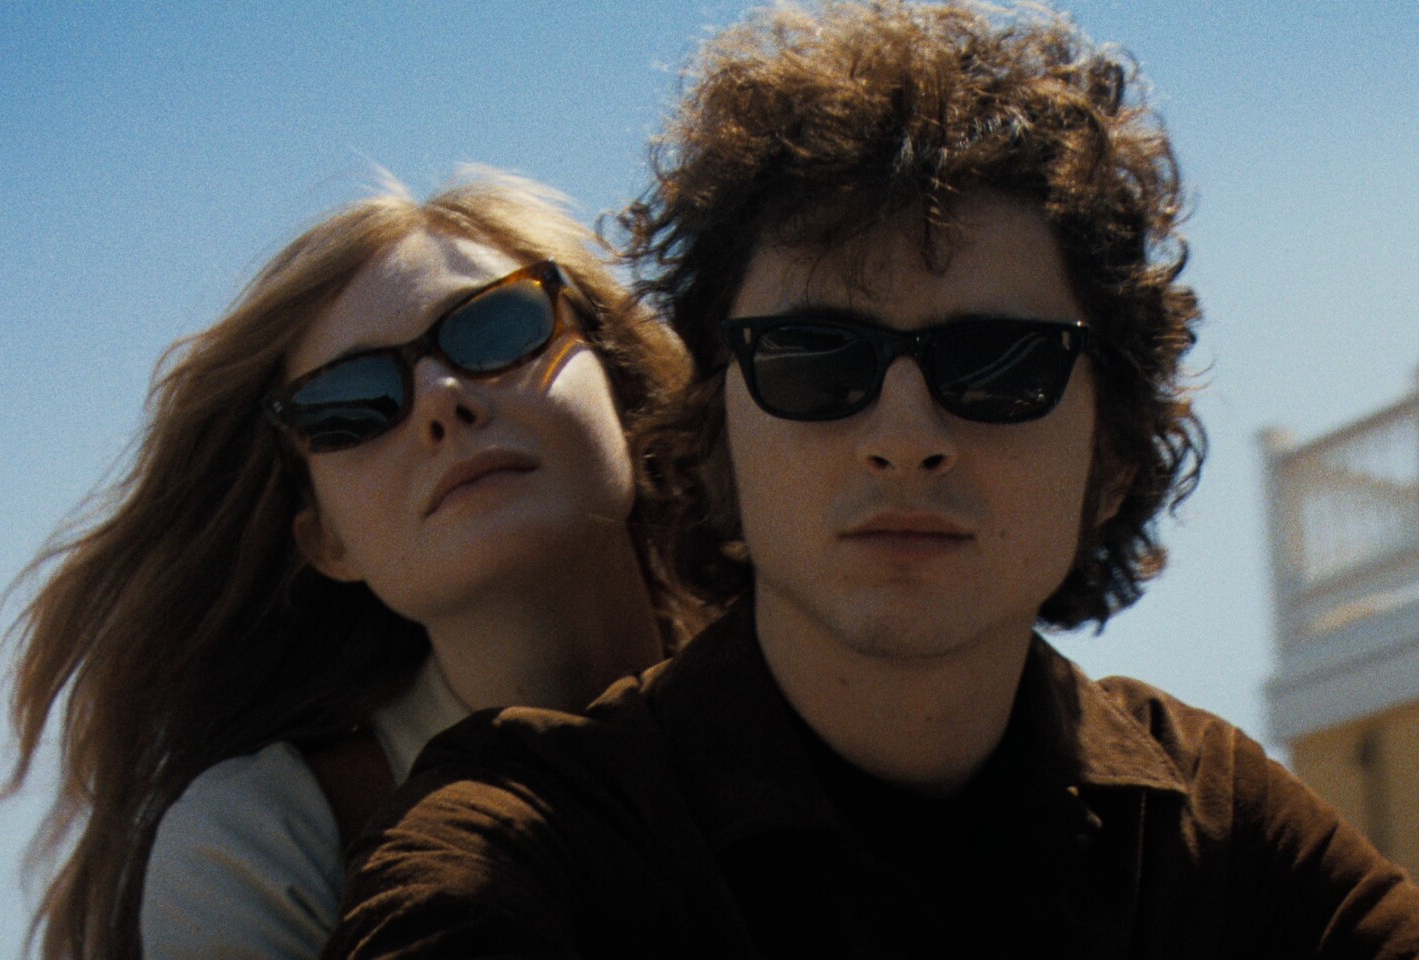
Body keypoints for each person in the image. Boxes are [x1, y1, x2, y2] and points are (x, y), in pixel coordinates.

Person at [327, 3, 1419, 957]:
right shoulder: (529, 846)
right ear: (710, 440)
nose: (906, 434)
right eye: (815, 359)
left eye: (999, 366)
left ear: (1113, 458)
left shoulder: (1212, 824)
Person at [0, 170, 701, 959]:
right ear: (327, 544)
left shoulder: (836, 682)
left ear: (625, 387)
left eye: (496, 325)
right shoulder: (263, 841)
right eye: (351, 404)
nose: (442, 397)